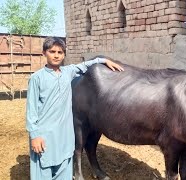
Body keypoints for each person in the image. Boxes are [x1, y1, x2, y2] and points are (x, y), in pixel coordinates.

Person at [26, 37, 123, 179]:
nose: (56, 55)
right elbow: (31, 110)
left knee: (64, 167)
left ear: (64, 55)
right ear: (44, 53)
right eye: (52, 51)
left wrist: (103, 60)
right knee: (44, 169)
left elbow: (85, 65)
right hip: (45, 134)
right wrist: (35, 136)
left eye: (60, 52)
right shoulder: (37, 78)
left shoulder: (68, 72)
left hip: (65, 134)